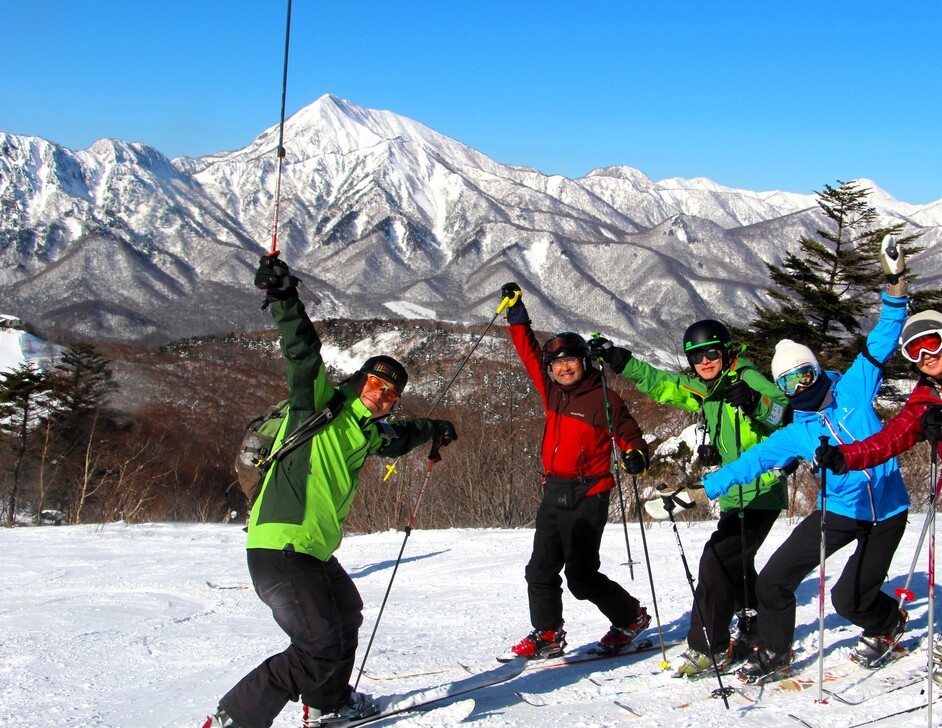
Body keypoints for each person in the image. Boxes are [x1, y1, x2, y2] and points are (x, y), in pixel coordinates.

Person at [204, 255, 458, 728]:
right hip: (281, 545)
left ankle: (328, 703)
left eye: (390, 394)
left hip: (313, 552)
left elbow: (400, 437)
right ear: (361, 380)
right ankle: (234, 719)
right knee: (317, 646)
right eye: (376, 384)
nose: (381, 395)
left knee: (346, 616)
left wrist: (435, 428)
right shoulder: (317, 406)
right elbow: (301, 351)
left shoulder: (366, 431)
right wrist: (283, 297)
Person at [695, 236, 911, 684]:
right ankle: (775, 651)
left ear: (816, 368)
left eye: (805, 374)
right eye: (789, 383)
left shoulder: (854, 387)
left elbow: (882, 339)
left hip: (889, 507)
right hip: (842, 510)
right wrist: (701, 488)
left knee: (849, 599)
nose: (800, 386)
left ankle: (888, 625)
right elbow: (750, 463)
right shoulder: (797, 431)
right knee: (773, 580)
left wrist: (894, 284)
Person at [816, 310, 942, 692]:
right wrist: (847, 457)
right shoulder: (927, 397)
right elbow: (892, 438)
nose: (925, 355)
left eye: (931, 343)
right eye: (914, 350)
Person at [589, 320, 789, 677]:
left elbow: (782, 411)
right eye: (697, 356)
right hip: (733, 493)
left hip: (762, 489)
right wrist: (620, 361)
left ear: (726, 352)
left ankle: (708, 646)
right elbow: (663, 386)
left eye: (712, 353)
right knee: (737, 563)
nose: (705, 361)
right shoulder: (706, 390)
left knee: (717, 560)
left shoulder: (746, 377)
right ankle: (756, 627)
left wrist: (756, 401)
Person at [498, 282, 652, 660]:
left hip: (589, 493)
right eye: (557, 364)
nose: (563, 368)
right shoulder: (552, 393)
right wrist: (516, 314)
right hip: (554, 490)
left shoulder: (602, 398)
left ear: (584, 362)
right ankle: (547, 633)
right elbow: (529, 354)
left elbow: (630, 433)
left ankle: (630, 618)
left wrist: (635, 454)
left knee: (581, 578)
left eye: (571, 361)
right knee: (539, 570)